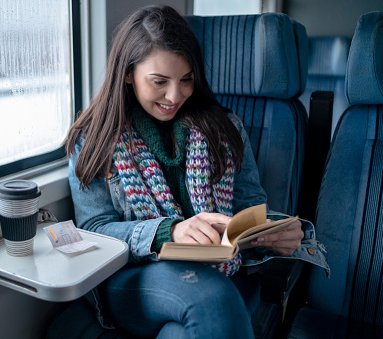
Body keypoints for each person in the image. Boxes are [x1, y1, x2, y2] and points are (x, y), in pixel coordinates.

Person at [66, 5, 328, 338]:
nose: (175, 96)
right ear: (128, 73)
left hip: (221, 268)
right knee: (212, 296)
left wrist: (271, 231)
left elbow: (248, 209)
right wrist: (168, 233)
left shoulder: (224, 126)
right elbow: (94, 230)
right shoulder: (93, 138)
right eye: (159, 82)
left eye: (186, 80)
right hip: (136, 276)